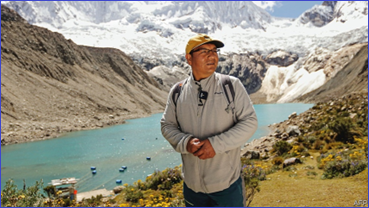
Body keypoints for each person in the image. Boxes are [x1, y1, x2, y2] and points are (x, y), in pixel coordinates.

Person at [160, 34, 258, 207]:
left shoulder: (231, 85)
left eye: (214, 51)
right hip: (192, 187)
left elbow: (250, 122)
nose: (212, 56)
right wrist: (185, 142)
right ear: (189, 58)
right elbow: (167, 125)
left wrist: (215, 145)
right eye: (204, 51)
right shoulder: (177, 91)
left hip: (227, 186)